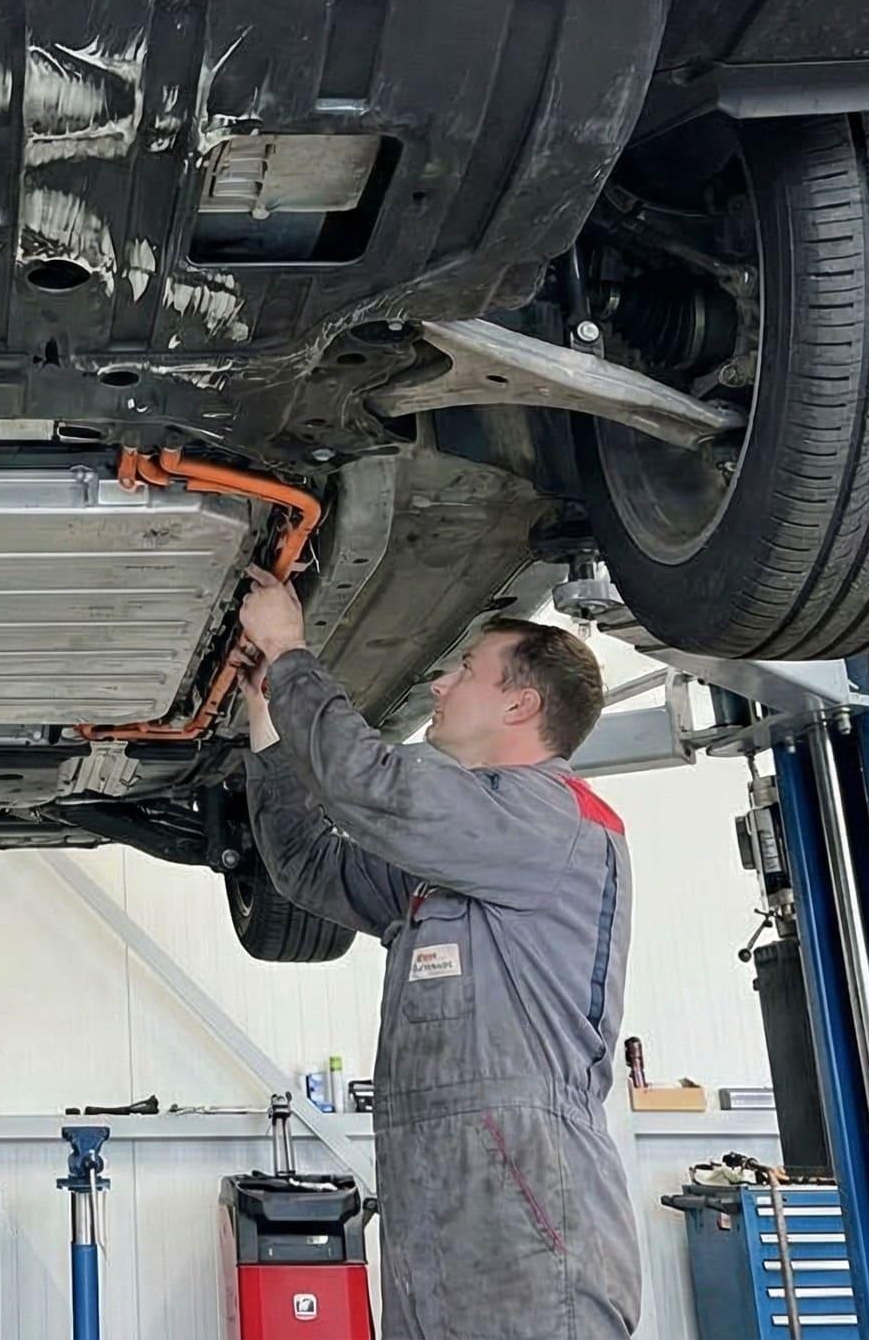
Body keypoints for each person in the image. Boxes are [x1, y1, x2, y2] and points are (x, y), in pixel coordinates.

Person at [236, 568, 638, 1340]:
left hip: (528, 1209)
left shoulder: (552, 821)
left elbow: (375, 786)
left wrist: (291, 650)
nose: (441, 684)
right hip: (439, 1210)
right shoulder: (460, 854)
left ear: (520, 704)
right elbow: (309, 869)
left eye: (466, 671)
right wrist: (267, 717)